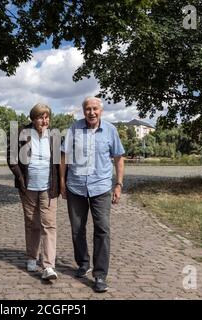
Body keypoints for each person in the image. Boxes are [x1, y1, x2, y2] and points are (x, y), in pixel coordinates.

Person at [59, 96, 125, 293]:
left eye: (95, 109)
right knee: (77, 229)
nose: (92, 112)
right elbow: (63, 156)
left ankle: (100, 275)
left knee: (102, 230)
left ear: (101, 111)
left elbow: (119, 159)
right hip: (76, 186)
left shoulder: (111, 130)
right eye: (88, 109)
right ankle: (83, 263)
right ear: (83, 111)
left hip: (101, 187)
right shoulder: (74, 128)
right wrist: (62, 182)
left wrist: (119, 184)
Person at [7, 103, 60, 280]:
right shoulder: (21, 132)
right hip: (28, 187)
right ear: (33, 118)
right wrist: (21, 179)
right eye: (40, 117)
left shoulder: (54, 135)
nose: (44, 121)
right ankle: (31, 256)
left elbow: (59, 162)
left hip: (48, 186)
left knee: (49, 224)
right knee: (32, 223)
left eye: (46, 117)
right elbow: (11, 158)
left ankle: (48, 266)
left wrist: (60, 184)